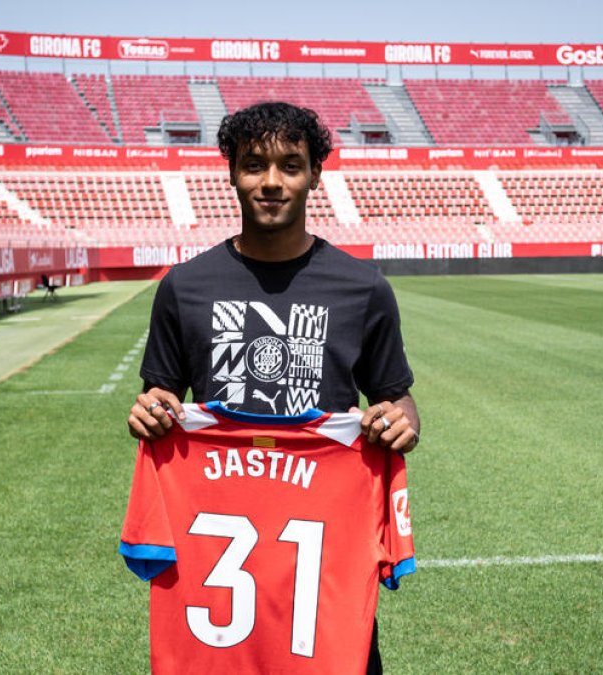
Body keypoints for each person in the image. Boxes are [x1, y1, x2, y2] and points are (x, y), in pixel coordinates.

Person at [126, 101, 420, 674]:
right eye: (254, 164)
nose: (271, 181)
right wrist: (150, 412)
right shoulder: (184, 288)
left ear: (314, 173)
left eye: (290, 164)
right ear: (231, 172)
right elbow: (157, 398)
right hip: (215, 573)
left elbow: (396, 396)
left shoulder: (364, 290)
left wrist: (403, 419)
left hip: (321, 569)